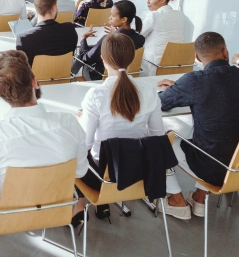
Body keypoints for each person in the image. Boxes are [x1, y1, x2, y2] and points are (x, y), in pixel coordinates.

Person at [0, 50, 88, 233]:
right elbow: (80, 171)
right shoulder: (69, 122)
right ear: (34, 82)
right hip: (59, 207)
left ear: (0, 94)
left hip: (9, 213)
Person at [75, 33, 191, 220]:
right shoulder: (149, 90)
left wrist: (82, 121)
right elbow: (157, 136)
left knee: (73, 150)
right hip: (141, 173)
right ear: (132, 59)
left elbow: (85, 146)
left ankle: (85, 205)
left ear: (103, 59)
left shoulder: (96, 95)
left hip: (103, 179)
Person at [158, 32, 239, 218]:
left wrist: (178, 88)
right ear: (225, 52)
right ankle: (200, 197)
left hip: (213, 169)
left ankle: (177, 201)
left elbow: (162, 102)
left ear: (196, 57)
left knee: (160, 141)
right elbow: (222, 93)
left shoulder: (195, 80)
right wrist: (182, 88)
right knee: (217, 133)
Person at [74, 0, 144, 80]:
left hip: (101, 76)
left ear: (124, 19)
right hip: (129, 76)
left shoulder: (108, 40)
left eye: (113, 16)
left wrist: (83, 39)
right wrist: (116, 33)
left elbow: (86, 58)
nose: (109, 17)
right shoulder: (140, 39)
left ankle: (71, 74)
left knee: (81, 55)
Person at [16, 0, 77, 66]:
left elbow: (23, 68)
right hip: (64, 77)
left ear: (36, 8)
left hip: (35, 78)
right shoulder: (70, 30)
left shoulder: (23, 38)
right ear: (54, 7)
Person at [141, 0, 184, 76]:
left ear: (163, 0)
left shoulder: (154, 15)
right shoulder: (180, 15)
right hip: (176, 63)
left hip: (154, 64)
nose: (148, 2)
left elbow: (138, 34)